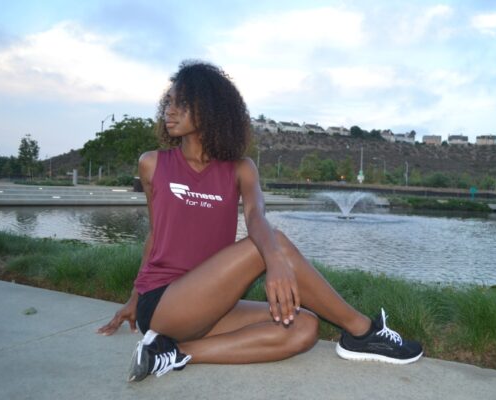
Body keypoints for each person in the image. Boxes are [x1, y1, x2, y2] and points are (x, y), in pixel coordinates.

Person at [97, 60, 422, 382]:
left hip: (213, 304)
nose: (170, 110)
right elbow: (156, 235)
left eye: (182, 103)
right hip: (165, 303)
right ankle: (363, 332)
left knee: (304, 326)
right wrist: (136, 297)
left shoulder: (240, 168)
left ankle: (173, 353)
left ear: (210, 109)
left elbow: (255, 216)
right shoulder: (153, 164)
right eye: (169, 101)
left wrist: (276, 262)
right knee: (272, 242)